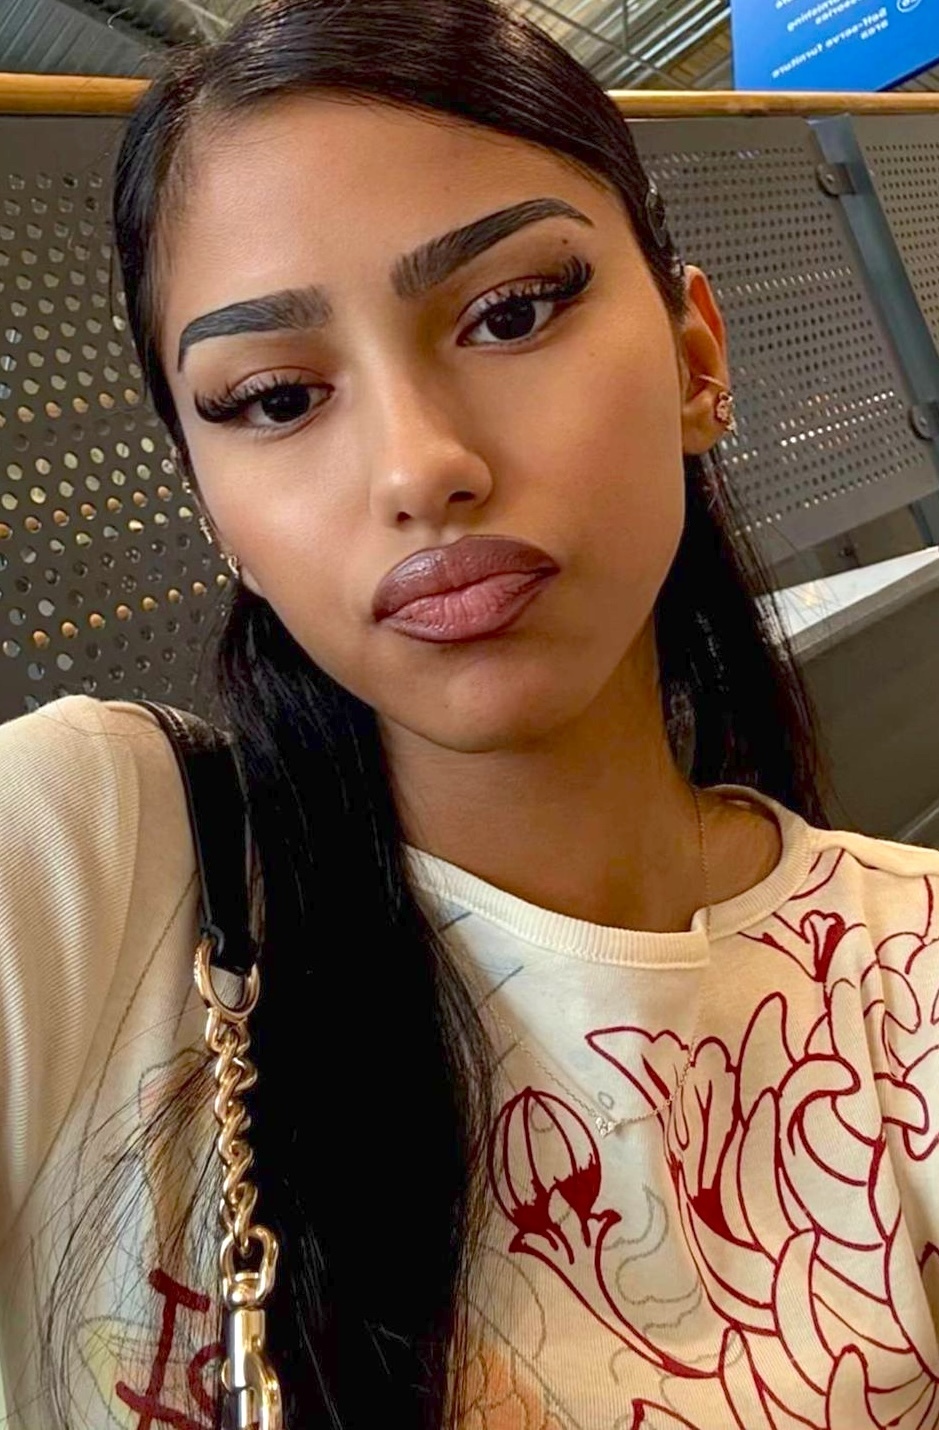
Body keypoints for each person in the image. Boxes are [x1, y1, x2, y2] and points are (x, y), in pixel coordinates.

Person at [2, 0, 939, 1425]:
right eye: (275, 398)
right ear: (215, 509)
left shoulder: (907, 980)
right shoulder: (88, 861)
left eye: (512, 313)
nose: (419, 465)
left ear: (696, 359)